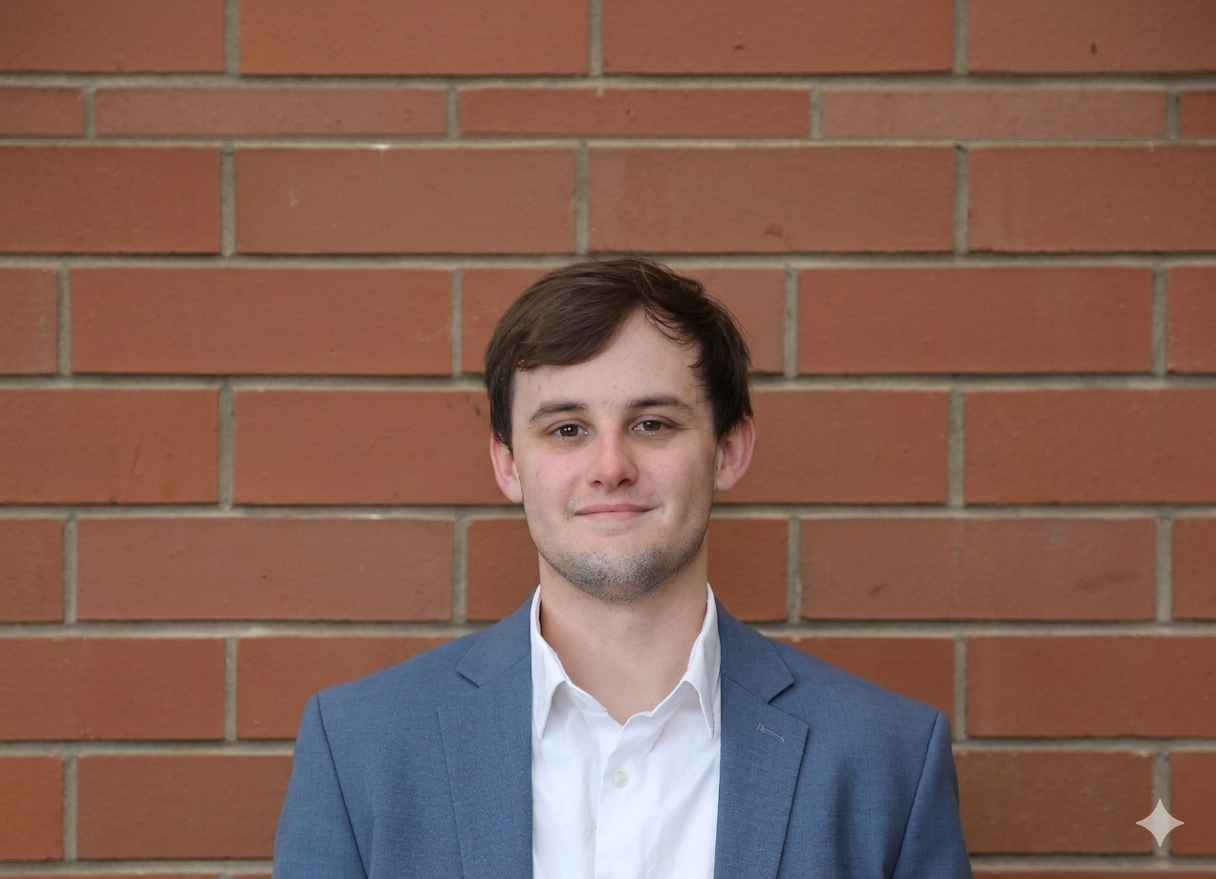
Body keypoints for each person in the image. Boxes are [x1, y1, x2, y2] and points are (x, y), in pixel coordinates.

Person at [272, 258, 973, 878]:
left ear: (728, 451)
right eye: (566, 429)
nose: (610, 466)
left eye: (653, 424)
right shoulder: (358, 747)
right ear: (508, 464)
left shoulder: (887, 758)